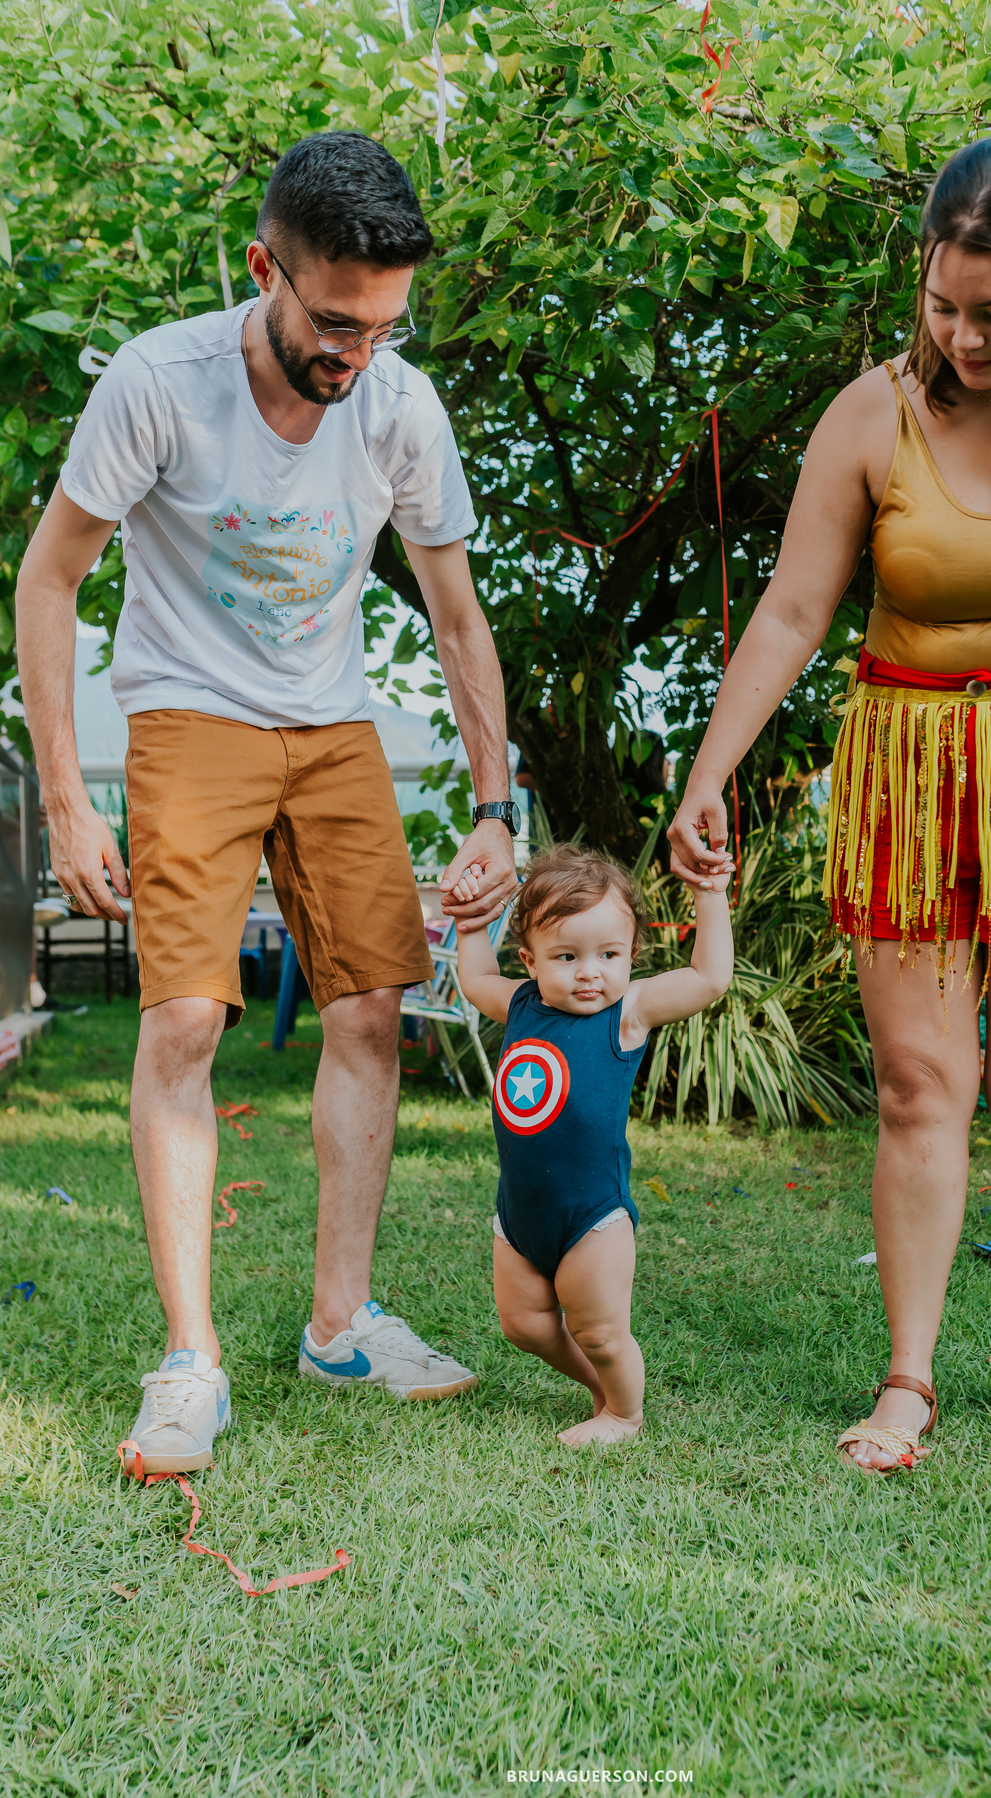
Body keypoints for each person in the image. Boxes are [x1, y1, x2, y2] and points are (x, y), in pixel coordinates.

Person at [669, 137, 991, 1473]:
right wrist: (709, 769)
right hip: (906, 772)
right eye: (941, 305)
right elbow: (794, 608)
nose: (961, 337)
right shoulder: (872, 414)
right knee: (917, 1084)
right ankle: (907, 1376)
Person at [15, 131, 522, 1475]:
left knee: (370, 1005)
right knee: (186, 1017)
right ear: (264, 269)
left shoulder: (400, 406)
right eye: (336, 322)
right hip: (190, 709)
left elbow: (458, 615)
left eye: (384, 327)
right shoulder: (159, 384)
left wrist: (497, 806)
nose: (357, 354)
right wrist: (68, 799)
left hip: (332, 718)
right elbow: (49, 578)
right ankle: (190, 1359)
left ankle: (340, 1324)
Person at [453, 843, 734, 1446]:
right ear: (530, 960)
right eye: (567, 956)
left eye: (609, 955)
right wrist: (471, 922)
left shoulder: (627, 1014)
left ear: (632, 954)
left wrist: (710, 894)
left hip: (593, 1217)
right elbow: (475, 979)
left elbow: (709, 979)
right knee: (524, 1325)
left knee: (600, 1331)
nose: (589, 972)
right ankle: (600, 1389)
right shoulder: (521, 1004)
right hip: (520, 1213)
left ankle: (625, 1415)